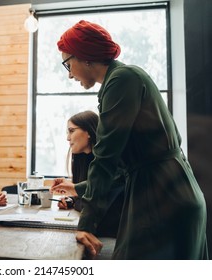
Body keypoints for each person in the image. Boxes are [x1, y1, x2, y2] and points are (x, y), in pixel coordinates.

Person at [51, 20, 208, 260]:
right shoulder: (120, 80)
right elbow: (119, 168)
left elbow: (106, 159)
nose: (69, 74)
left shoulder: (122, 80)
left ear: (85, 57)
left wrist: (86, 224)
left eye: (67, 63)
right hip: (165, 191)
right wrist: (80, 189)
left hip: (163, 197)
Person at [53, 110, 124, 238]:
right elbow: (85, 199)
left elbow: (96, 200)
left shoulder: (107, 161)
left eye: (71, 131)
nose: (68, 138)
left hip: (110, 233)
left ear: (88, 132)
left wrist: (75, 191)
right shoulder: (81, 159)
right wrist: (71, 200)